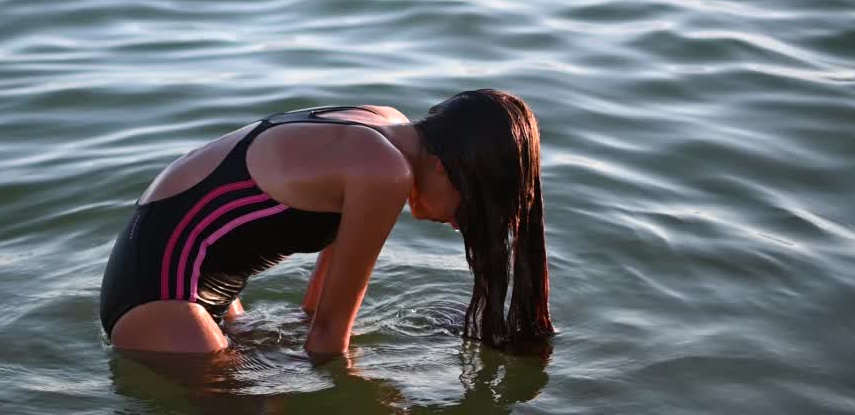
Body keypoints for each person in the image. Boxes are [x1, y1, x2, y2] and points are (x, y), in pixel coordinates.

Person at [99, 89, 554, 355]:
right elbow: (326, 341)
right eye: (470, 206)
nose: (460, 225)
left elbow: (316, 310)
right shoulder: (384, 172)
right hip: (164, 300)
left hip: (188, 281)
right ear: (446, 165)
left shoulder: (383, 129)